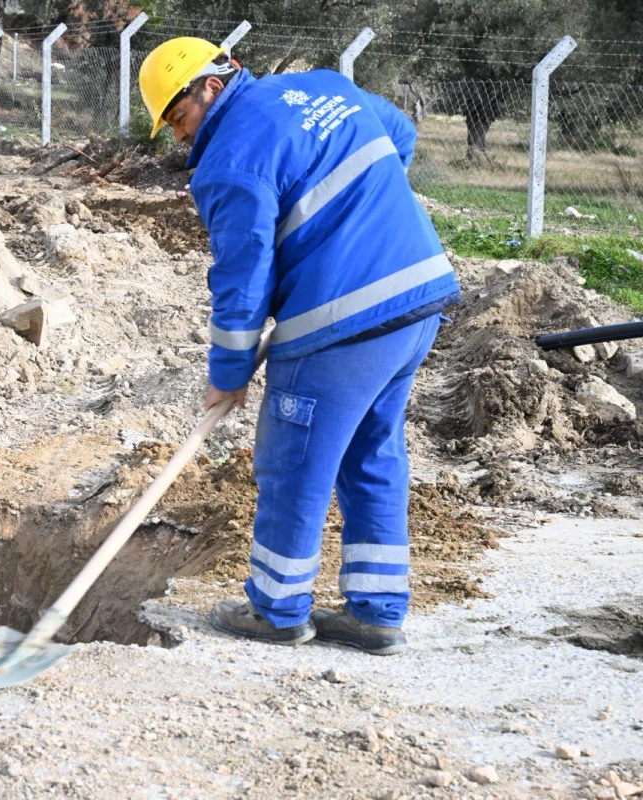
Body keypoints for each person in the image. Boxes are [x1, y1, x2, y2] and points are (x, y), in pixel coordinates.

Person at [138, 38, 461, 655]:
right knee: (372, 451)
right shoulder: (322, 87)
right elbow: (399, 134)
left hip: (340, 321)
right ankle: (376, 611)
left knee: (294, 459)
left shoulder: (229, 163)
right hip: (417, 293)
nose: (181, 138)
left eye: (179, 119)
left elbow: (243, 280)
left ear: (210, 85)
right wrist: (360, 215)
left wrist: (229, 373)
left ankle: (278, 609)